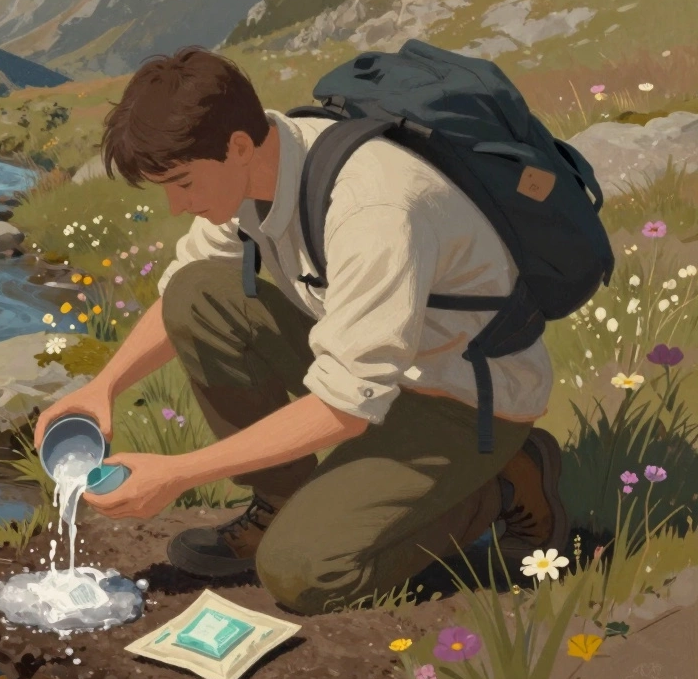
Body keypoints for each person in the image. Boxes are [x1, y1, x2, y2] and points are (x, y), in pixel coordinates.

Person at [33, 46, 570, 616]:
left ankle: (501, 482)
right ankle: (280, 503)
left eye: (183, 183)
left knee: (304, 575)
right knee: (198, 293)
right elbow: (179, 292)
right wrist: (103, 387)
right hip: (385, 367)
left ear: (237, 146)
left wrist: (178, 474)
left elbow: (346, 405)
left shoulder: (373, 207)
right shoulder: (266, 158)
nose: (176, 204)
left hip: (460, 397)